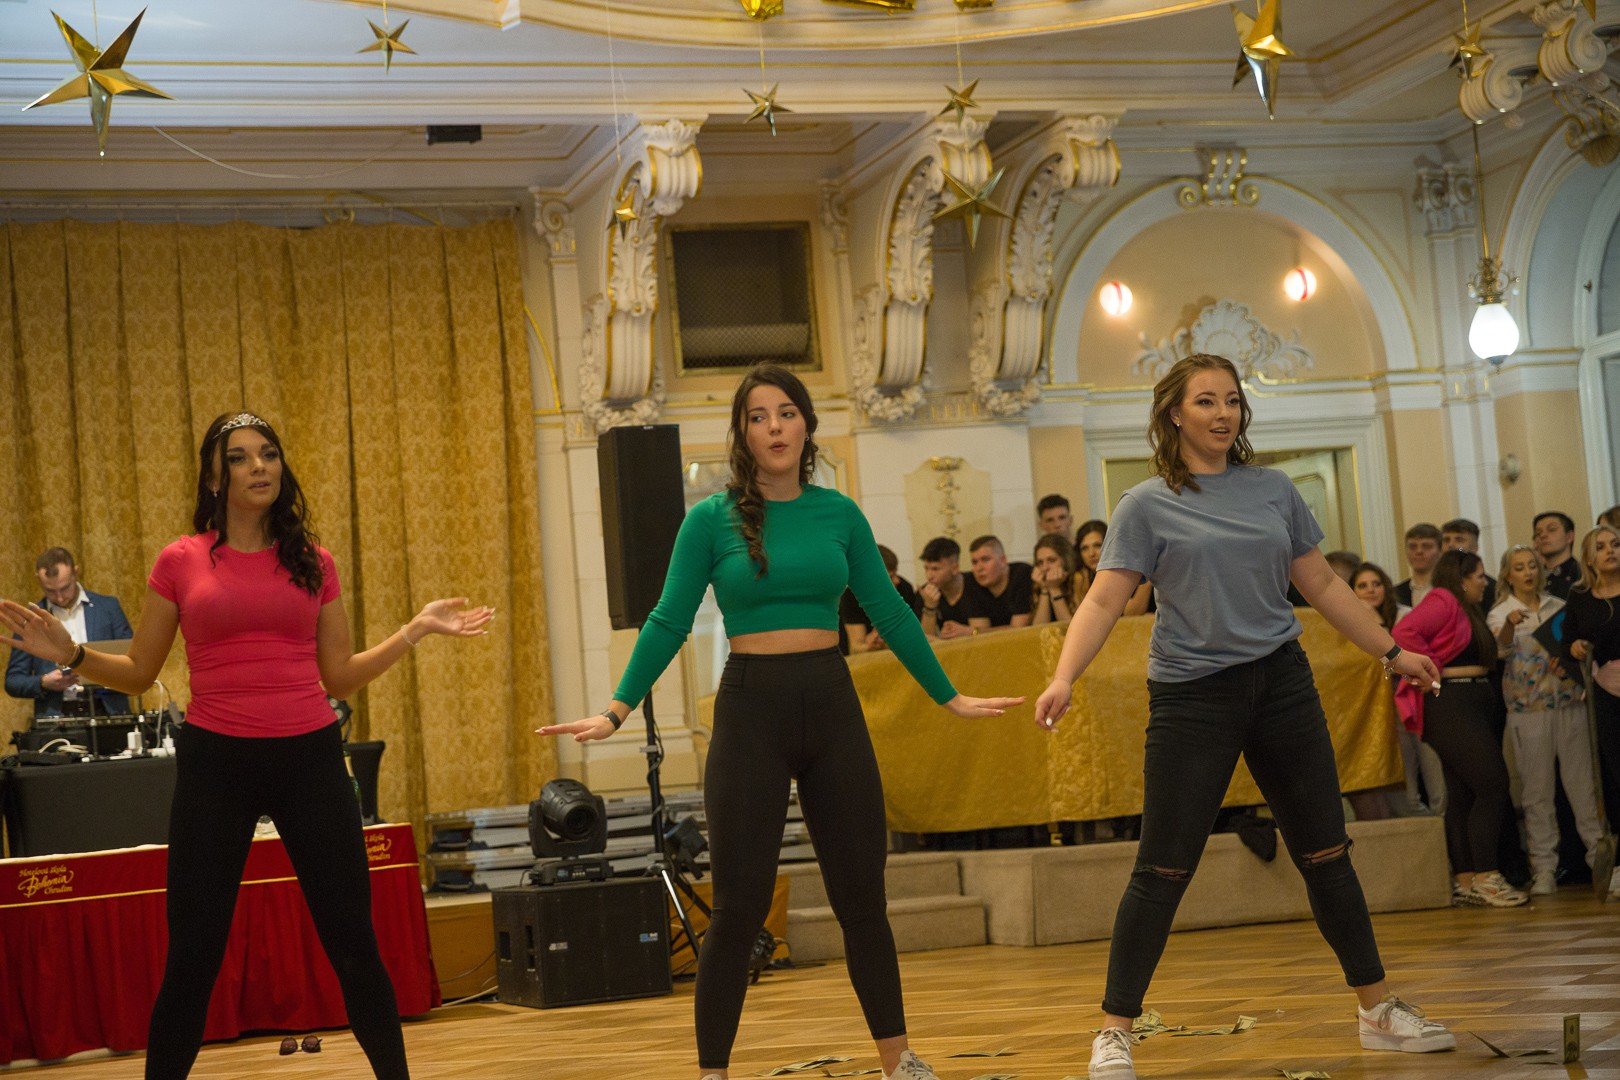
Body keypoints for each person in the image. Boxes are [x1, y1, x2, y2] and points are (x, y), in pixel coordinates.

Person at [537, 365, 1021, 1080]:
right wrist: (617, 709)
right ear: (742, 433)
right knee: (739, 908)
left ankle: (899, 1062)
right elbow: (668, 619)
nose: (774, 427)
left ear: (806, 426)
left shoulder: (839, 514)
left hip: (831, 705)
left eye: (787, 412)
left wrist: (947, 695)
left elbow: (889, 612)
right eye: (758, 416)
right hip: (751, 712)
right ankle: (713, 1073)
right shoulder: (710, 520)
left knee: (863, 900)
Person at [0, 412, 492, 1080]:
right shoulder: (180, 560)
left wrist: (414, 630)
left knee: (354, 946)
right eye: (239, 457)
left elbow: (341, 676)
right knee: (193, 957)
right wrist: (74, 654)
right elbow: (140, 672)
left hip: (310, 758)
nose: (259, 466)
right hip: (217, 763)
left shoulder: (314, 562)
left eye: (269, 454)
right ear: (214, 476)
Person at [1028, 354, 1455, 1080]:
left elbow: (1322, 585)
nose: (1223, 413)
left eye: (1231, 400)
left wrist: (1392, 652)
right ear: (1174, 414)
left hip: (1280, 683)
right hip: (1193, 695)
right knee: (1162, 866)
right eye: (1206, 401)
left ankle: (1377, 1009)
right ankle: (1114, 1032)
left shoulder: (1274, 490)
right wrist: (1065, 676)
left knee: (1326, 852)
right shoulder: (1146, 503)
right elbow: (1103, 599)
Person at [1392, 550, 1526, 908]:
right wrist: (1430, 667)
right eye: (1479, 575)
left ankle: (1466, 880)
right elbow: (1403, 631)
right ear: (1463, 578)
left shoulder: (1467, 607)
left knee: (1463, 792)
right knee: (1493, 783)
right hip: (1452, 703)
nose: (1484, 581)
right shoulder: (1443, 599)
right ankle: (1487, 877)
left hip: (1468, 702)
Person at [1488, 545, 1602, 895]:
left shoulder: (1559, 606)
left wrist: (1568, 659)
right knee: (1537, 792)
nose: (1528, 572)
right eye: (1519, 567)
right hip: (1528, 711)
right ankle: (1543, 869)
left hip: (1568, 704)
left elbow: (1576, 648)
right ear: (1508, 575)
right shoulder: (1501, 612)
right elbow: (1500, 649)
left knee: (1583, 788)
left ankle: (1601, 861)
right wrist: (1510, 625)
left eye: (1532, 566)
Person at [1352, 562, 1442, 818]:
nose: (1371, 590)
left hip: (1414, 697)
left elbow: (1398, 655)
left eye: (1376, 584)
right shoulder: (1350, 622)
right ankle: (1423, 831)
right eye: (1362, 586)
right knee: (1403, 780)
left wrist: (1375, 619)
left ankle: (1443, 829)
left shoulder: (1405, 614)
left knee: (1434, 770)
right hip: (1378, 706)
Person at [5, 547, 133, 718]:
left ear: (76, 573)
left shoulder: (108, 608)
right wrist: (43, 682)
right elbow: (13, 682)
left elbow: (132, 661)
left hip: (109, 711)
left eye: (65, 588)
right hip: (58, 718)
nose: (59, 597)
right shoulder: (31, 621)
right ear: (39, 581)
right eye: (50, 591)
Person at [1560, 525, 1620, 843]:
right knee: (1614, 771)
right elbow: (1567, 642)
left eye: (1616, 544)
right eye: (1601, 546)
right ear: (1588, 558)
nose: (1610, 550)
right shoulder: (1580, 596)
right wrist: (1576, 647)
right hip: (1606, 691)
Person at [841, 544, 922, 653]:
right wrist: (870, 646)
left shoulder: (903, 588)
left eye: (895, 573)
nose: (897, 580)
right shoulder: (851, 597)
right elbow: (855, 648)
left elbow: (913, 634)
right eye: (890, 577)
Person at [960, 535, 1034, 632]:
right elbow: (980, 633)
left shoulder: (1022, 574)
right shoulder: (972, 582)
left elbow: (1018, 630)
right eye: (974, 562)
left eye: (985, 560)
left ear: (1003, 560)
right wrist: (976, 631)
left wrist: (971, 631)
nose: (979, 568)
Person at [917, 537, 975, 639]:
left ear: (955, 568)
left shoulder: (974, 584)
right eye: (926, 568)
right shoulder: (925, 593)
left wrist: (968, 632)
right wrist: (930, 606)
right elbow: (925, 639)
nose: (929, 576)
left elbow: (981, 631)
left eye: (935, 569)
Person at [1441, 518, 1496, 611]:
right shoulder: (1435, 582)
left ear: (1475, 547)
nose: (1451, 545)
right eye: (1446, 540)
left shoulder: (1490, 589)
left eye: (1459, 540)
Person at [1031, 534, 1085, 625]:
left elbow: (1071, 628)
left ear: (1066, 560)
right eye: (1040, 562)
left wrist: (1054, 590)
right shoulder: (1038, 584)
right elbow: (1038, 629)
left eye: (1051, 560)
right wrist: (1045, 589)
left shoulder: (1078, 579)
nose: (1045, 567)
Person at [1534, 511, 1581, 600]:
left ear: (1569, 536)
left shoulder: (1583, 575)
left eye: (1552, 529)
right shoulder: (1533, 577)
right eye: (1538, 533)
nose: (1543, 535)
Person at [1393, 523, 1441, 609]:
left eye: (1426, 546)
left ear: (1440, 551)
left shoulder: (1451, 589)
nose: (1419, 551)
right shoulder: (1394, 593)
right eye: (1412, 547)